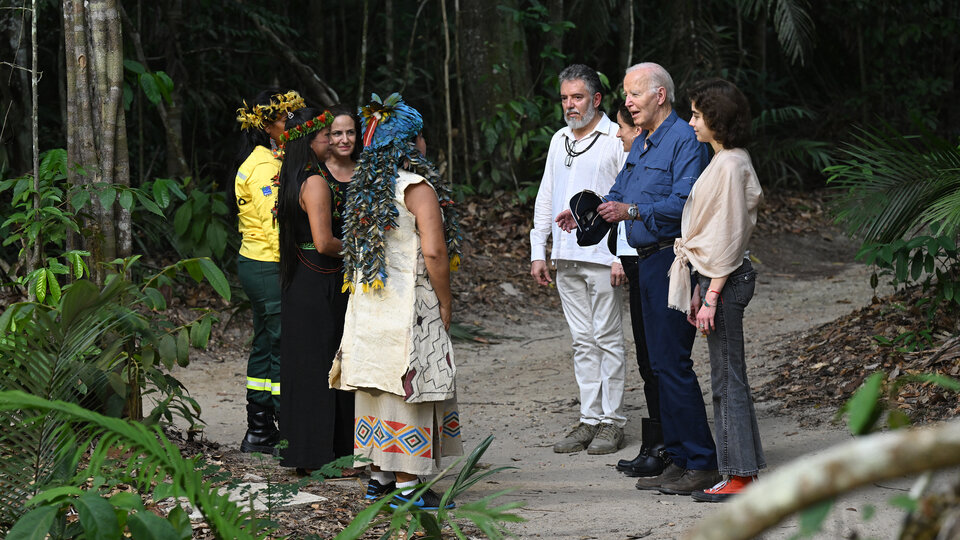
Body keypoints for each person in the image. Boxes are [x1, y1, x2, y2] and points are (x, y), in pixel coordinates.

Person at [557, 62, 719, 495]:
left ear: (659, 95)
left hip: (672, 261)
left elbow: (685, 203)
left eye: (633, 94)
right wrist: (584, 215)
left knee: (672, 363)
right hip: (643, 262)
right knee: (655, 366)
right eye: (626, 94)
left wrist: (632, 212)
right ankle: (678, 458)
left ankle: (702, 461)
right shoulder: (644, 141)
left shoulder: (685, 140)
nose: (626, 102)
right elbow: (619, 191)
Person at [332, 93, 464, 510]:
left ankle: (380, 479)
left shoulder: (365, 190)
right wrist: (444, 301)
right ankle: (409, 491)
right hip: (410, 305)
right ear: (411, 144)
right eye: (421, 137)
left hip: (371, 307)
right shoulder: (417, 189)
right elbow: (435, 253)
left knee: (376, 387)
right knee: (411, 389)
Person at [667, 78, 765, 502]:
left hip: (724, 280)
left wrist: (710, 295)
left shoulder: (729, 164)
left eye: (696, 115)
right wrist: (699, 288)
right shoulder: (724, 158)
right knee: (728, 378)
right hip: (714, 278)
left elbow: (728, 235)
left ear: (716, 120)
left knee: (727, 380)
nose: (690, 122)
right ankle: (743, 469)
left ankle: (738, 476)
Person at [530, 64, 629, 455]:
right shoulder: (559, 139)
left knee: (607, 338)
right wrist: (540, 249)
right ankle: (590, 418)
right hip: (566, 256)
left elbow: (625, 198)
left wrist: (623, 255)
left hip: (605, 257)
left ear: (596, 99)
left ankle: (613, 421)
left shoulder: (615, 139)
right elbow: (546, 195)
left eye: (578, 97)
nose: (570, 105)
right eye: (566, 98)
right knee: (582, 341)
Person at [276, 107, 356, 474]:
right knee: (326, 365)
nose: (332, 139)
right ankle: (326, 454)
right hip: (320, 280)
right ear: (311, 142)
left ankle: (304, 451)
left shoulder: (291, 177)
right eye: (326, 135)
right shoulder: (316, 182)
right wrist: (361, 248)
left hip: (300, 281)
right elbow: (324, 242)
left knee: (304, 365)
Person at [233, 89, 305, 454]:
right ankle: (289, 433)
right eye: (284, 119)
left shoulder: (270, 158)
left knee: (265, 342)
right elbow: (273, 224)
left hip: (257, 261)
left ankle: (259, 431)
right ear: (266, 124)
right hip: (267, 263)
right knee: (281, 343)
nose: (290, 125)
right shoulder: (263, 166)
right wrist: (295, 267)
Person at [606, 103, 666, 477]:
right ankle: (656, 442)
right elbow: (616, 199)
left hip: (655, 260)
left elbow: (641, 209)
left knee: (659, 360)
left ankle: (665, 445)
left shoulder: (660, 157)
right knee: (647, 360)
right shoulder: (635, 160)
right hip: (635, 262)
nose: (618, 134)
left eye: (622, 128)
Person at [325, 104, 361, 183]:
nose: (345, 140)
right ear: (326, 136)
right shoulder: (316, 173)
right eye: (337, 133)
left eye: (350, 132)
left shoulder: (367, 171)